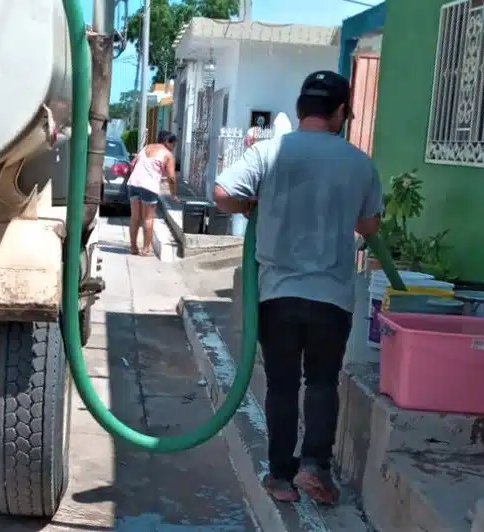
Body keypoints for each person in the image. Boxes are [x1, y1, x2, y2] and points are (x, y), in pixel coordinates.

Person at [213, 71, 382, 504]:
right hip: (332, 297)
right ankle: (316, 468)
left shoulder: (271, 151)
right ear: (341, 112)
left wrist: (254, 204)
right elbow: (369, 224)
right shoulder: (359, 162)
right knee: (323, 383)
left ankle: (281, 478)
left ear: (302, 106)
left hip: (277, 294)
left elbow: (222, 193)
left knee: (283, 386)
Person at [126, 131, 177, 256]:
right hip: (149, 186)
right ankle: (145, 249)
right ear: (167, 142)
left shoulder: (146, 147)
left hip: (133, 183)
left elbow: (132, 164)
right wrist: (173, 193)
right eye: (173, 144)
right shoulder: (167, 155)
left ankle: (133, 247)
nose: (173, 147)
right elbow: (171, 177)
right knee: (148, 218)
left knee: (135, 217)